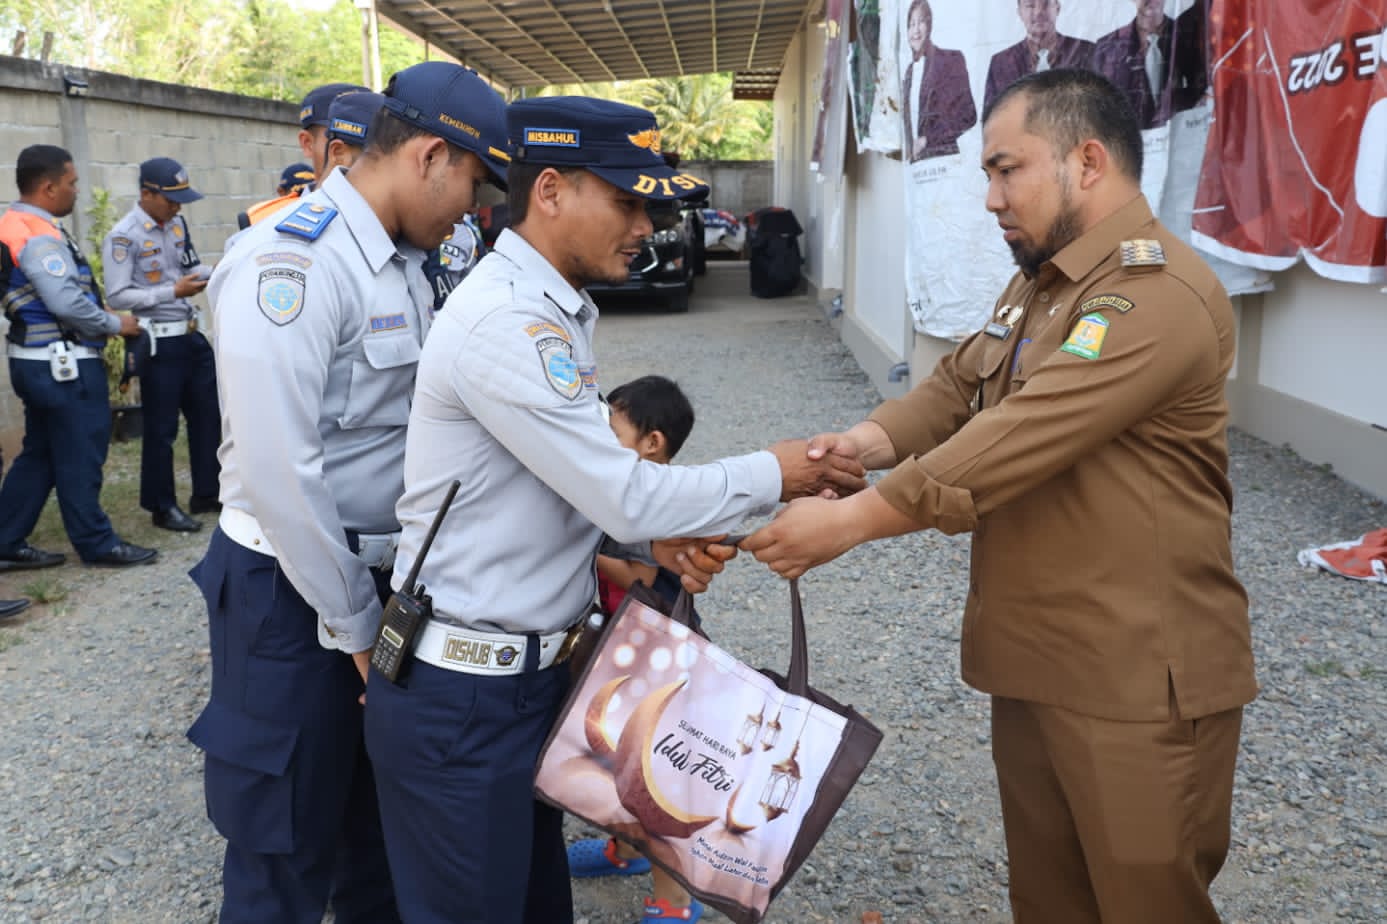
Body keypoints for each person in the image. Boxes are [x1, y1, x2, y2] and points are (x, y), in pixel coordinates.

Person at [743, 68, 1257, 924]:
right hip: (1038, 658)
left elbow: (1012, 439)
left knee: (1142, 903)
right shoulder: (1039, 284)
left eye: (1004, 168)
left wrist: (850, 523)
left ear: (1085, 162)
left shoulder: (1152, 294)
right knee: (1049, 901)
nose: (988, 197)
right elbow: (955, 388)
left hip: (1135, 678)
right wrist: (861, 447)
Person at [361, 95, 865, 924]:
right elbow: (623, 488)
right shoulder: (506, 323)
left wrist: (656, 538)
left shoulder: (550, 308)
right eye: (627, 201)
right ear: (550, 190)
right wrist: (778, 472)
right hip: (460, 700)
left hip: (524, 687)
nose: (647, 223)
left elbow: (564, 482)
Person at [184, 62, 511, 924]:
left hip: (380, 583)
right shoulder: (288, 263)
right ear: (432, 156)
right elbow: (278, 475)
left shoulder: (399, 262)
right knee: (283, 843)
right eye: (475, 186)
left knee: (378, 835)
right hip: (290, 597)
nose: (474, 212)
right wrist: (361, 631)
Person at [566, 374, 705, 923]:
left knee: (651, 776)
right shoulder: (616, 486)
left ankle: (674, 899)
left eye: (613, 428)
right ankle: (622, 852)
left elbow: (637, 571)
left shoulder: (656, 500)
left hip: (653, 655)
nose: (601, 436)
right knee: (604, 754)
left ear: (653, 443)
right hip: (614, 648)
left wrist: (570, 548)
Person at [0, 144, 157, 570]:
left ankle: (5, 539)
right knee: (81, 453)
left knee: (43, 453)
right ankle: (97, 543)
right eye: (71, 184)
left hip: (34, 359)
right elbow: (65, 302)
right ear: (49, 187)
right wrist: (114, 325)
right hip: (62, 364)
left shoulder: (15, 223)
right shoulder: (37, 234)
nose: (77, 191)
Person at [102, 157, 219, 532]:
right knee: (161, 428)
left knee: (207, 417)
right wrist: (173, 290)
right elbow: (118, 295)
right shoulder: (124, 236)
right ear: (146, 194)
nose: (177, 206)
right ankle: (161, 505)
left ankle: (207, 492)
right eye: (170, 199)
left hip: (190, 336)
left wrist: (215, 271)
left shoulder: (177, 224)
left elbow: (190, 266)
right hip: (158, 344)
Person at [235, 82, 367, 230]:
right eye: (343, 140)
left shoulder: (391, 217)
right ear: (307, 143)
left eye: (369, 141)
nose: (357, 152)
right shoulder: (263, 220)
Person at [1093, 0, 1209, 129]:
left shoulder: (1188, 38)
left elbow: (1202, 93)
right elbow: (1102, 108)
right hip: (1131, 143)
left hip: (1181, 138)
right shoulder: (1106, 48)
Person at [983, 0, 1095, 111]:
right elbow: (991, 117)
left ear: (1057, 8)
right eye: (1030, 5)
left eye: (1046, 4)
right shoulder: (1002, 63)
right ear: (1020, 12)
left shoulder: (1086, 52)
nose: (1038, 12)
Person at [900, 0, 977, 160]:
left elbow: (968, 115)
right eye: (911, 24)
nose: (915, 30)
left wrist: (927, 140)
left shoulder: (950, 60)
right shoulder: (908, 73)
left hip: (944, 164)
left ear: (930, 25)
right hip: (916, 172)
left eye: (921, 22)